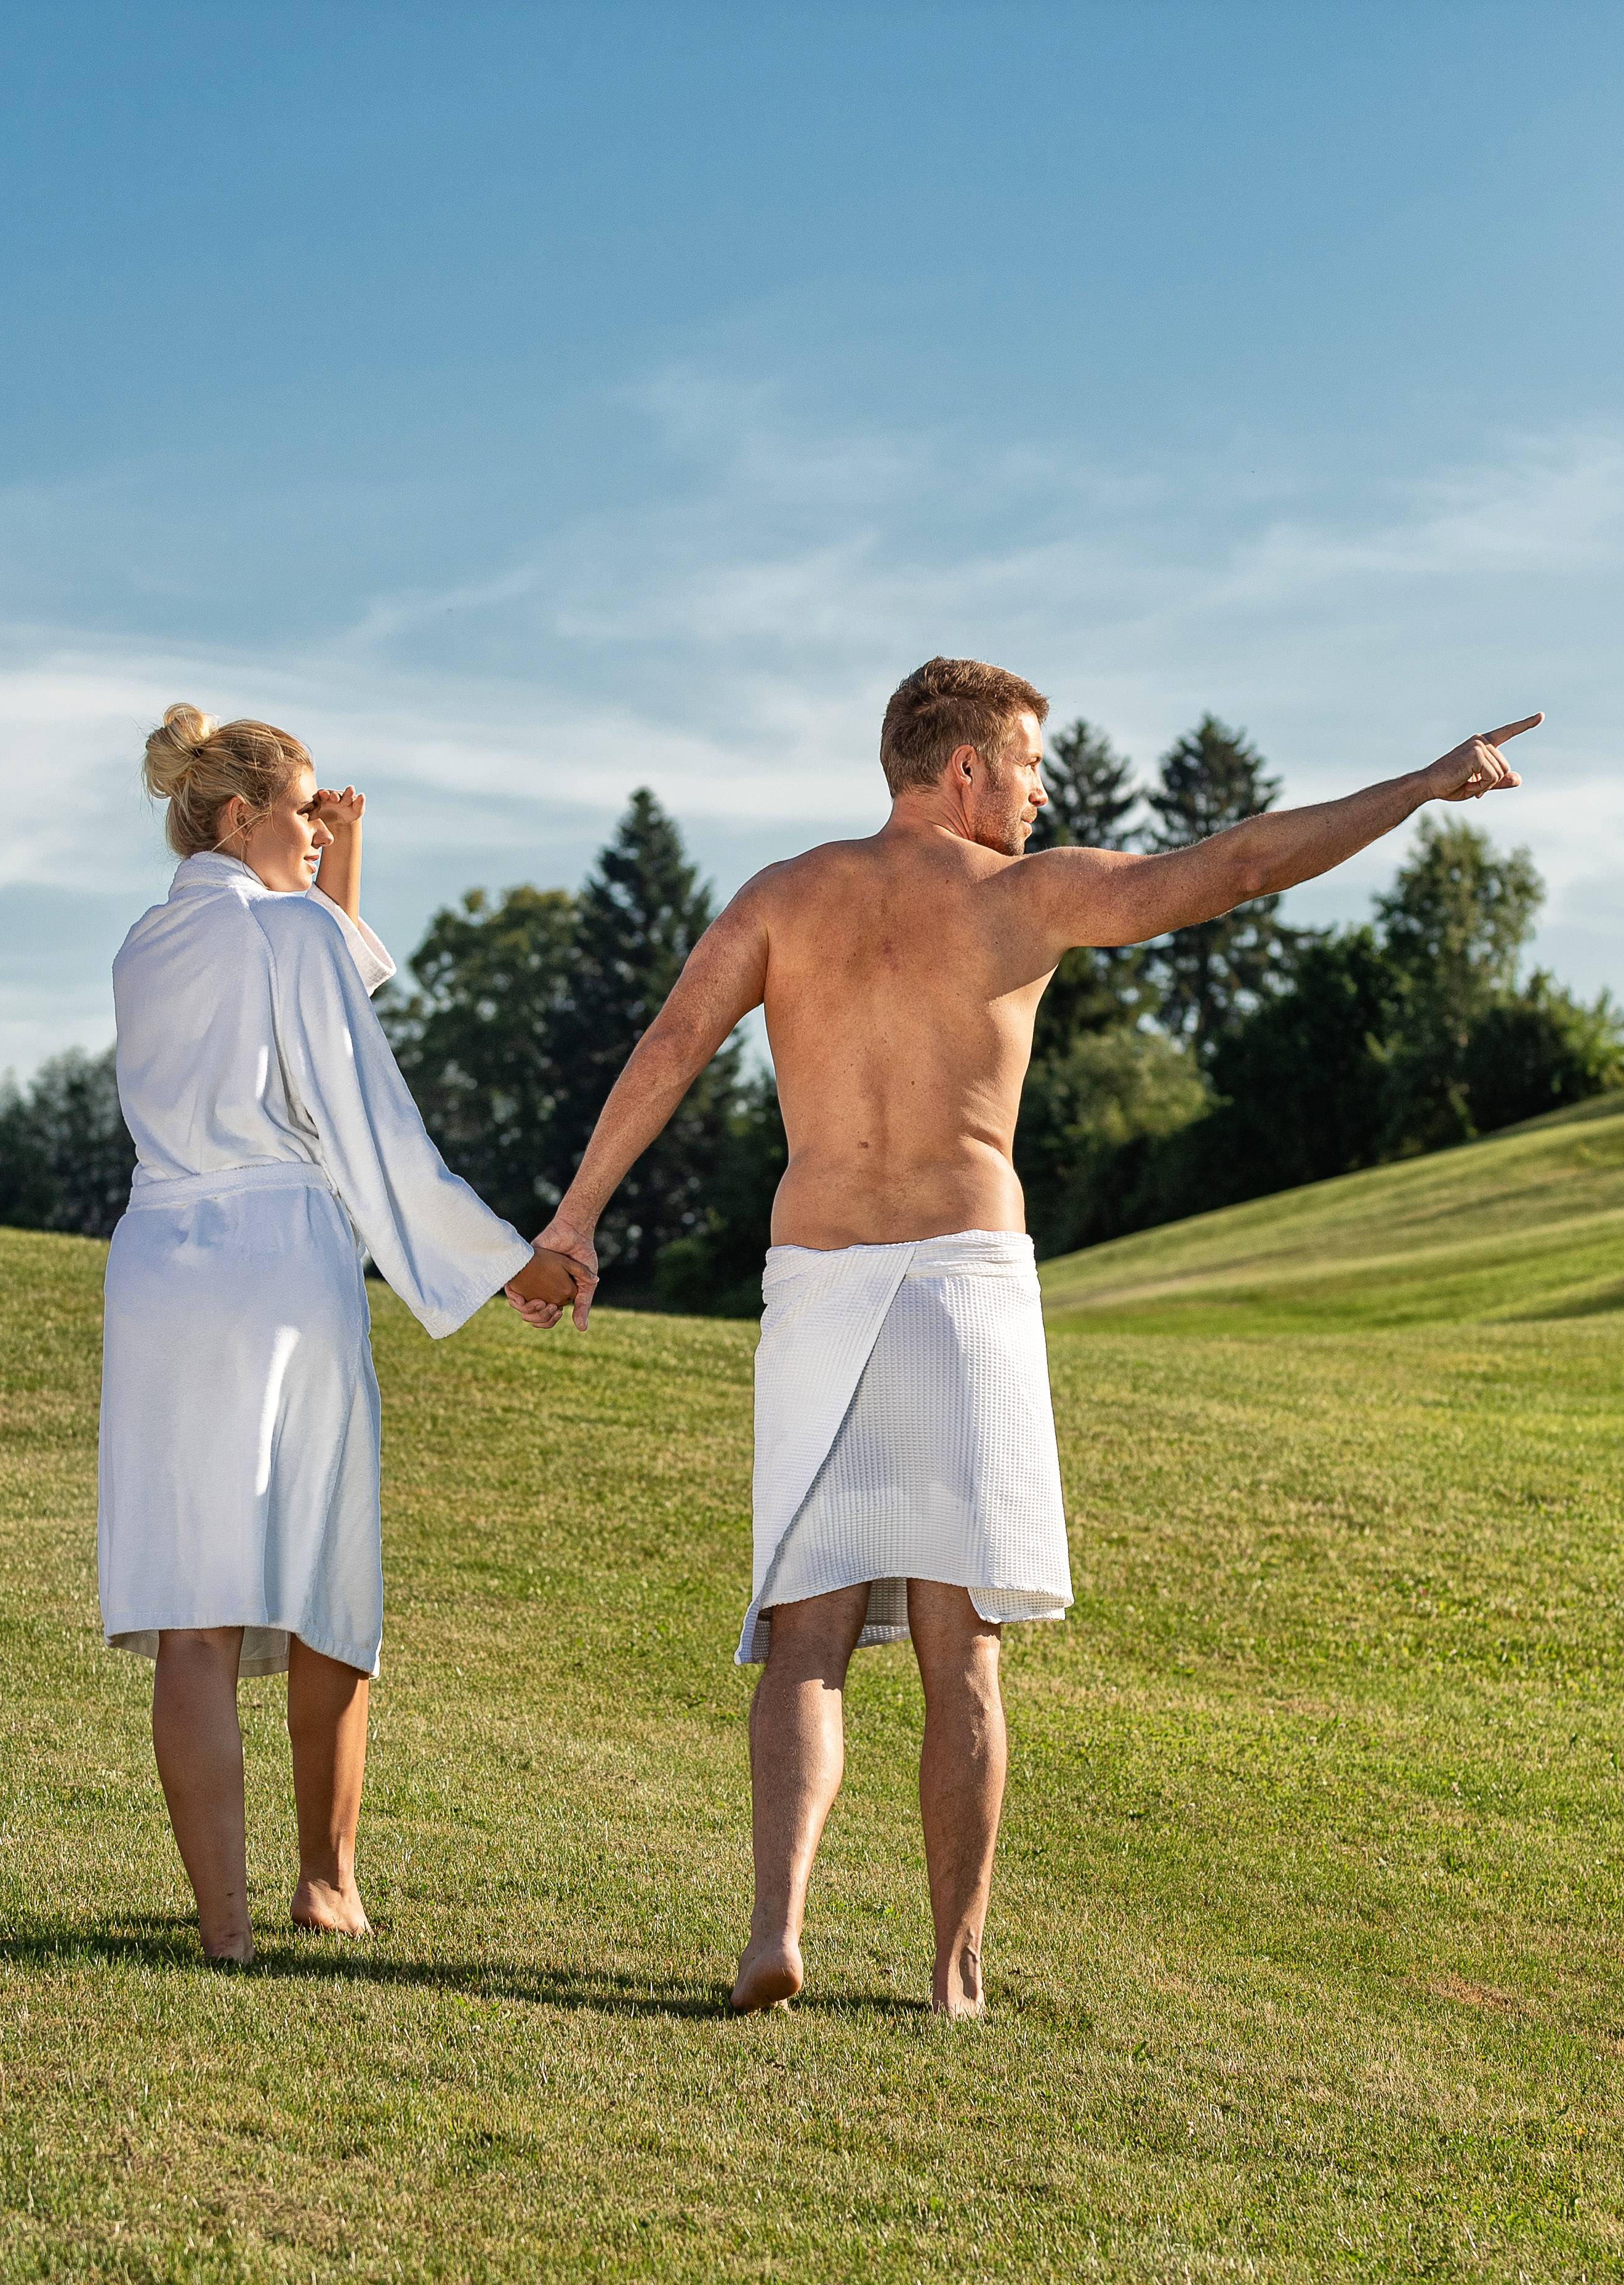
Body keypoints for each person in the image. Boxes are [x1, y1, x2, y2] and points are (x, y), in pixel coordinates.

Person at [533, 658, 1535, 2016]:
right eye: (1025, 762)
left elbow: (670, 1042)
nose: (1040, 787)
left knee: (804, 1628)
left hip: (818, 1276)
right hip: (961, 1280)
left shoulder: (780, 896)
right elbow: (1234, 866)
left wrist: (576, 1220)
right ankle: (950, 1969)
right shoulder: (1022, 893)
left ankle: (775, 1922)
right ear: (963, 770)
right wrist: (1419, 786)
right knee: (963, 1646)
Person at [102, 704, 585, 1964]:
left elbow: (299, 987)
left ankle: (221, 1927)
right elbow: (363, 1113)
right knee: (324, 1575)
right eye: (304, 812)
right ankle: (325, 1882)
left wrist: (334, 876)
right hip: (277, 1265)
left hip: (161, 1269)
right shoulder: (294, 930)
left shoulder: (147, 944)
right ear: (235, 815)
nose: (320, 831)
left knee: (190, 1607)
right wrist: (503, 1260)